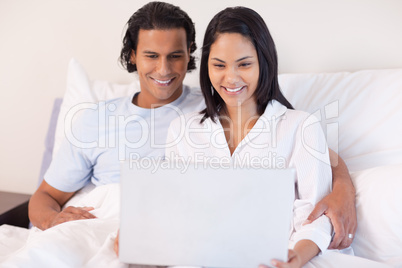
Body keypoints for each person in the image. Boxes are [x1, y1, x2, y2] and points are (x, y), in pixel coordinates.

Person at [28, 0, 354, 255]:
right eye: (151, 56)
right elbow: (44, 197)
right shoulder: (96, 119)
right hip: (109, 223)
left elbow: (304, 149)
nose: (164, 69)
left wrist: (342, 192)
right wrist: (55, 222)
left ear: (190, 58)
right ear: (133, 57)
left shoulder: (220, 101)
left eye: (175, 56)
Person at [164, 6, 349, 268]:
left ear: (264, 62)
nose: (231, 77)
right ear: (207, 67)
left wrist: (297, 256)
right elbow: (174, 211)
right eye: (219, 65)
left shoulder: (301, 127)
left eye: (244, 64)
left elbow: (315, 214)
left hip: (274, 260)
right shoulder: (182, 130)